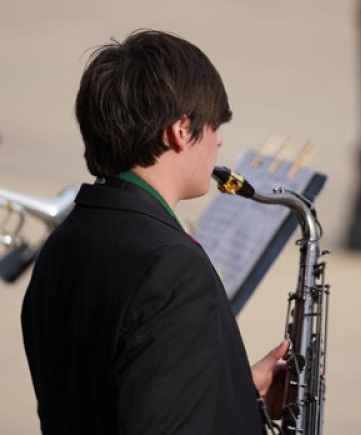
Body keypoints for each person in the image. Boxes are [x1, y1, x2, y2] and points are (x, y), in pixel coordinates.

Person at [21, 30, 289, 435]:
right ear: (181, 130)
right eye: (215, 126)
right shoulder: (172, 267)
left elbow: (106, 396)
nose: (219, 140)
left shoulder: (66, 240)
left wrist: (235, 392)